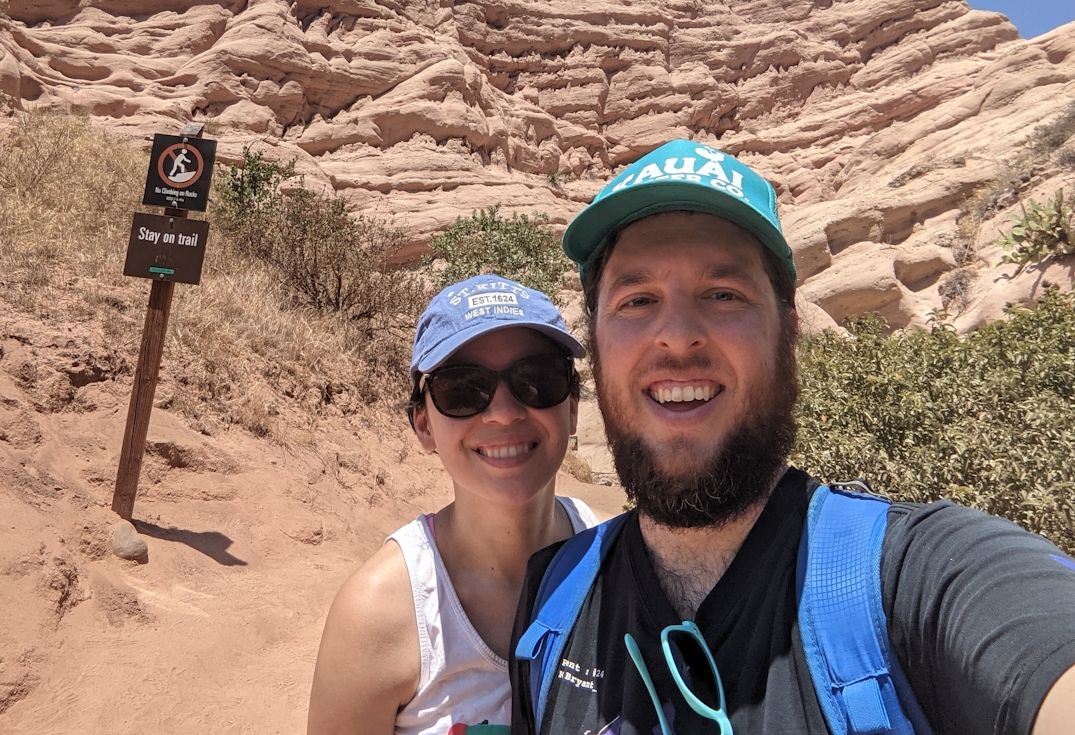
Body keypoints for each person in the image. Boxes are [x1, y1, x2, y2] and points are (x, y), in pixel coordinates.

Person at [508, 139, 1075, 735]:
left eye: (724, 295)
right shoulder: (552, 599)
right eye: (637, 299)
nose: (676, 336)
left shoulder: (923, 575)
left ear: (789, 329)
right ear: (594, 340)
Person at [308, 274, 602, 735]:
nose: (503, 412)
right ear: (423, 425)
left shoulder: (614, 560)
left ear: (571, 406)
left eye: (537, 379)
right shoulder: (380, 615)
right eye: (463, 389)